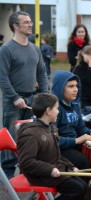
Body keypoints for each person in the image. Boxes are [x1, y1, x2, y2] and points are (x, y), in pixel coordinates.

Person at [0, 11, 48, 179]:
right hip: (12, 100)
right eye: (26, 22)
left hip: (32, 99)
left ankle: (27, 169)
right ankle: (6, 174)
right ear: (15, 26)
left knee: (29, 136)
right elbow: (2, 77)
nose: (30, 24)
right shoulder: (6, 49)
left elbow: (42, 73)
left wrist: (44, 95)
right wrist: (14, 97)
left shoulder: (35, 49)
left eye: (30, 22)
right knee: (10, 137)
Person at [17, 93, 88, 200]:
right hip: (39, 174)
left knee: (84, 186)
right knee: (76, 189)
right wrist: (50, 169)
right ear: (48, 111)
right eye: (57, 108)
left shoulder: (51, 128)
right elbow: (26, 163)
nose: (58, 111)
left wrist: (70, 166)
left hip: (54, 168)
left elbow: (57, 156)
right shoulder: (30, 134)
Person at [51, 70, 91, 170]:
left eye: (76, 86)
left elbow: (80, 128)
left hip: (74, 143)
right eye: (71, 86)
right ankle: (84, 184)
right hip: (59, 148)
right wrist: (77, 140)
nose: (75, 89)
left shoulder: (75, 105)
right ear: (60, 88)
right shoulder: (54, 109)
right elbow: (53, 140)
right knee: (83, 161)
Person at [73, 45, 91, 114]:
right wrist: (90, 68)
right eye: (87, 54)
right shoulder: (78, 68)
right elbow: (84, 81)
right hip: (84, 98)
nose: (89, 57)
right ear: (83, 54)